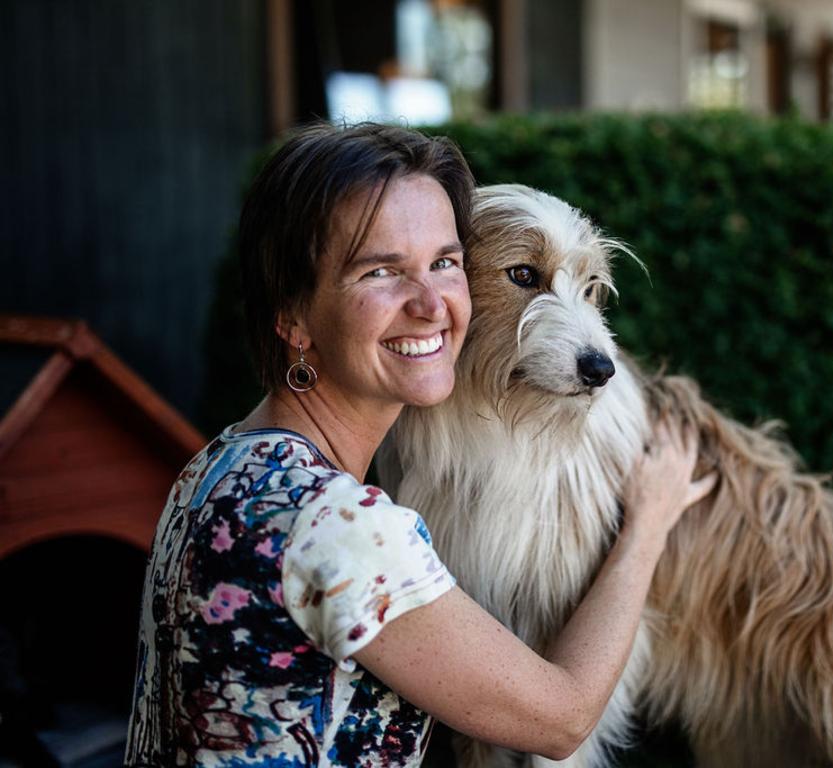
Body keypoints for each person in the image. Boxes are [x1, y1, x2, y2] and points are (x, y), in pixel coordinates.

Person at [125, 122, 716, 767]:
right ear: (292, 316)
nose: (432, 304)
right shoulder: (341, 528)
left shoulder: (219, 466)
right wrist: (649, 525)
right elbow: (564, 718)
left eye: (445, 262)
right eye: (380, 271)